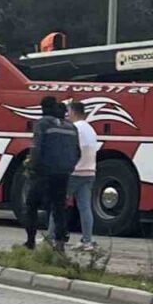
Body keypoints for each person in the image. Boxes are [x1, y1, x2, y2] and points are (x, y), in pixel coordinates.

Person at [22, 96, 79, 253]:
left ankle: (30, 242)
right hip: (63, 173)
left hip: (44, 172)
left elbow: (36, 148)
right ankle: (60, 244)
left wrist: (32, 167)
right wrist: (69, 168)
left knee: (31, 205)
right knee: (58, 208)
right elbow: (77, 152)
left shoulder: (42, 124)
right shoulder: (71, 127)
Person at [48, 100, 99, 252]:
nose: (66, 114)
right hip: (89, 171)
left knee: (58, 203)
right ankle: (87, 240)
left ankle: (51, 236)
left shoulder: (74, 128)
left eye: (68, 111)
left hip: (75, 172)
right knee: (85, 207)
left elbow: (70, 149)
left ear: (73, 112)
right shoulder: (90, 129)